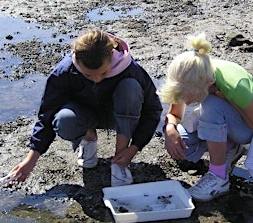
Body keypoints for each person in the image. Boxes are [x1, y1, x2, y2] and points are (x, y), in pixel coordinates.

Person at [9, 29, 163, 187]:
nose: (97, 79)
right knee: (63, 120)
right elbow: (46, 115)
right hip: (84, 115)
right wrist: (30, 159)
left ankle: (120, 161)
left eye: (103, 73)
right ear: (76, 59)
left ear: (111, 55)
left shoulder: (131, 70)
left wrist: (134, 147)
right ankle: (88, 139)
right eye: (88, 75)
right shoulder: (64, 71)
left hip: (122, 116)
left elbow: (153, 110)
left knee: (130, 88)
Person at [157, 33, 253, 202]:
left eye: (188, 96)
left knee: (211, 105)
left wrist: (228, 100)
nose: (187, 101)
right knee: (181, 147)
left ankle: (219, 177)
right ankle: (228, 148)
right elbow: (175, 114)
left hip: (246, 128)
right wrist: (169, 129)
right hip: (219, 119)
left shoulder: (232, 85)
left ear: (207, 82)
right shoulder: (188, 74)